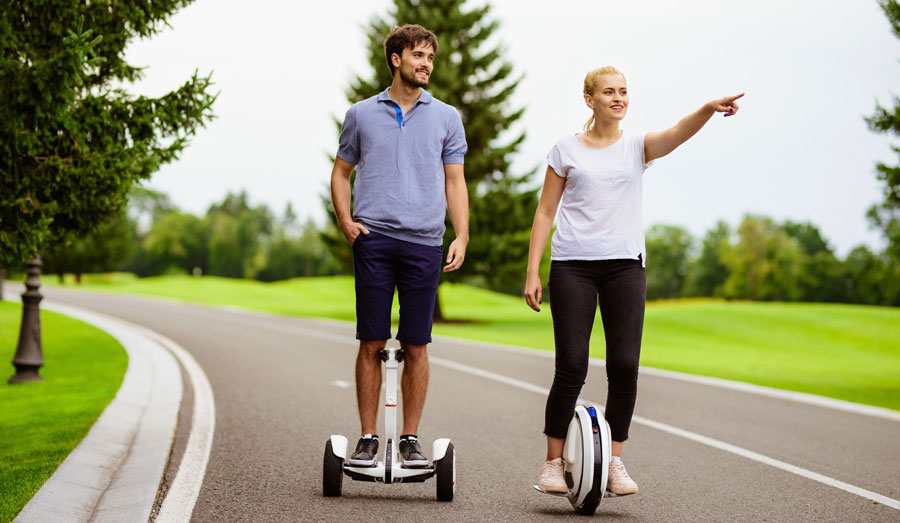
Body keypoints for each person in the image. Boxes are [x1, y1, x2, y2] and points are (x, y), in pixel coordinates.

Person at [524, 66, 742, 495]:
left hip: (625, 265)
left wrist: (706, 110)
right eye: (609, 92)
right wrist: (533, 270)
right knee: (572, 365)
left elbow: (678, 133)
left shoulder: (637, 147)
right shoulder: (565, 149)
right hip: (573, 265)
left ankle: (614, 464)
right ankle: (552, 464)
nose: (618, 98)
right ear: (590, 99)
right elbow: (546, 212)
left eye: (623, 91)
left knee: (625, 366)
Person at [330, 24, 469, 468]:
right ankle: (368, 437)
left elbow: (455, 180)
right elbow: (340, 172)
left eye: (430, 57)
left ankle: (410, 438)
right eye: (418, 56)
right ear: (396, 59)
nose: (426, 63)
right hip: (374, 241)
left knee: (417, 344)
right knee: (371, 341)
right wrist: (345, 220)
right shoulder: (360, 114)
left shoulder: (446, 117)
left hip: (424, 244)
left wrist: (461, 233)